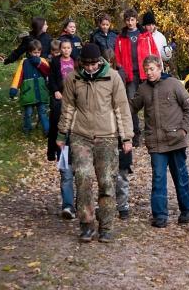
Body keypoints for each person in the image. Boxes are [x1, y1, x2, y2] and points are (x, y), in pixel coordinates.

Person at [56, 43, 133, 243]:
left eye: (93, 64)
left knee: (107, 181)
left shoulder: (113, 77)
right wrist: (62, 134)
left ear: (100, 61)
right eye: (86, 64)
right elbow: (68, 108)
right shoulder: (73, 78)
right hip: (80, 135)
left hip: (107, 136)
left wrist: (126, 137)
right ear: (81, 62)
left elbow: (122, 108)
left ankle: (106, 225)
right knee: (83, 177)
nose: (90, 67)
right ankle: (86, 224)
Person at [130, 55, 189, 228]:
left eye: (152, 69)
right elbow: (131, 107)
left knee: (180, 176)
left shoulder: (173, 84)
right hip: (156, 142)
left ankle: (187, 209)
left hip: (175, 140)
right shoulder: (143, 89)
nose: (149, 73)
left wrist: (184, 130)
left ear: (160, 68)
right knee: (158, 179)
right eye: (146, 70)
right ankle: (159, 215)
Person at [114, 8, 160, 147]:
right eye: (127, 20)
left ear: (136, 20)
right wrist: (121, 71)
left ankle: (152, 133)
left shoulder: (145, 35)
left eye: (132, 19)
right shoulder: (121, 37)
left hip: (145, 73)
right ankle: (134, 134)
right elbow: (117, 56)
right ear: (125, 21)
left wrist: (157, 69)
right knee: (131, 105)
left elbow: (155, 53)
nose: (130, 22)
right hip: (130, 75)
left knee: (151, 102)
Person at [48, 39, 76, 219]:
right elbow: (53, 128)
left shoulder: (82, 103)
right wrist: (51, 149)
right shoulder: (58, 105)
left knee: (81, 174)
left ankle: (81, 203)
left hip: (80, 142)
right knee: (65, 173)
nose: (66, 50)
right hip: (63, 143)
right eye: (63, 48)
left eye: (68, 48)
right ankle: (67, 205)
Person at [103, 47, 132, 220]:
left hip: (119, 132)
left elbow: (125, 113)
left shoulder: (119, 77)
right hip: (105, 132)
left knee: (121, 174)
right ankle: (107, 205)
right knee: (105, 173)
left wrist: (127, 137)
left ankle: (123, 206)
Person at [9, 40, 50, 136]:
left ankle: (47, 130)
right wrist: (14, 88)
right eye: (34, 53)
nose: (36, 55)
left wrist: (39, 62)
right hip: (28, 93)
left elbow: (48, 71)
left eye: (38, 52)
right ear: (30, 52)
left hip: (41, 91)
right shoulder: (24, 62)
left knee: (43, 112)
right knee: (28, 113)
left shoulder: (42, 61)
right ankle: (27, 129)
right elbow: (18, 76)